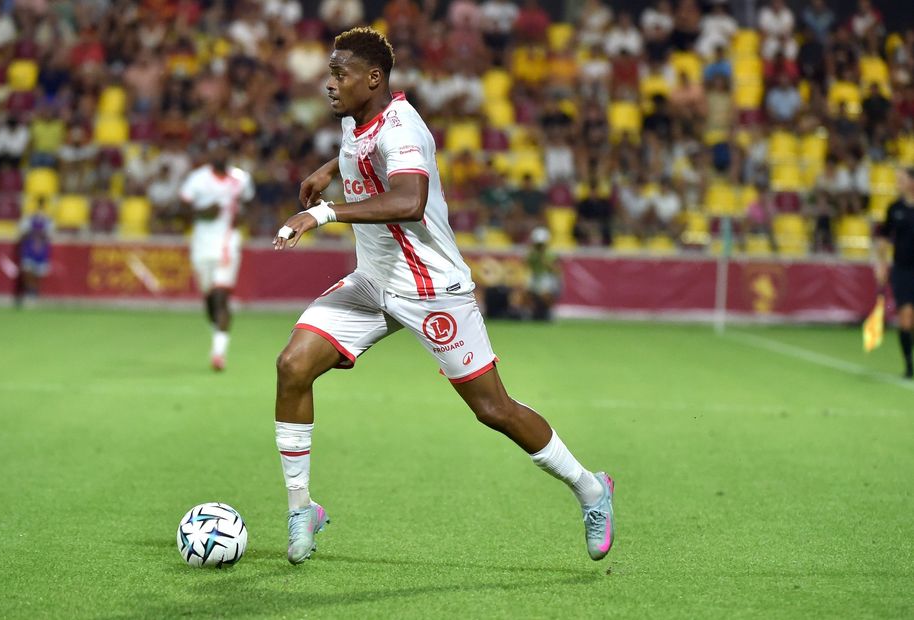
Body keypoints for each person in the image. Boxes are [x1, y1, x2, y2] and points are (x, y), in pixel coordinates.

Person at [272, 27, 614, 565]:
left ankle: (591, 488)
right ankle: (301, 509)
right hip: (371, 282)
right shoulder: (355, 118)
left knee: (494, 409)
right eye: (330, 73)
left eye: (339, 74)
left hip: (432, 289)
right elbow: (360, 156)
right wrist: (327, 170)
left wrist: (324, 212)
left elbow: (409, 198)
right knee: (293, 366)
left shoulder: (405, 126)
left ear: (374, 79)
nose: (329, 84)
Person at [178, 139, 255, 371]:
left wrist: (244, 218)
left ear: (229, 155)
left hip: (227, 243)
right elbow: (181, 209)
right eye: (216, 151)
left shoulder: (241, 180)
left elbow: (249, 204)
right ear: (210, 156)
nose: (220, 156)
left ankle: (218, 353)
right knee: (209, 298)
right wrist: (203, 212)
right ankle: (218, 331)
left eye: (224, 151)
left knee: (221, 296)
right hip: (202, 244)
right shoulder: (198, 179)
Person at [875, 167, 914, 379]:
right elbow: (883, 237)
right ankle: (909, 365)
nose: (898, 183)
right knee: (906, 317)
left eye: (902, 179)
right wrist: (881, 264)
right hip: (903, 270)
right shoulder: (894, 208)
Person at [15, 197, 53, 308]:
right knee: (28, 271)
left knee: (38, 274)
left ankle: (34, 294)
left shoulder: (48, 220)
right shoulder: (28, 219)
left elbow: (49, 235)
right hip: (29, 249)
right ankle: (28, 293)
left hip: (41, 251)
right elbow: (22, 233)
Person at [525, 227, 561, 321]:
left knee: (545, 292)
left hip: (548, 277)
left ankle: (549, 312)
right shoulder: (532, 254)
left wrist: (544, 261)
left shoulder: (551, 254)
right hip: (536, 276)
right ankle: (532, 312)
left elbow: (557, 271)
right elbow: (528, 266)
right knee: (526, 291)